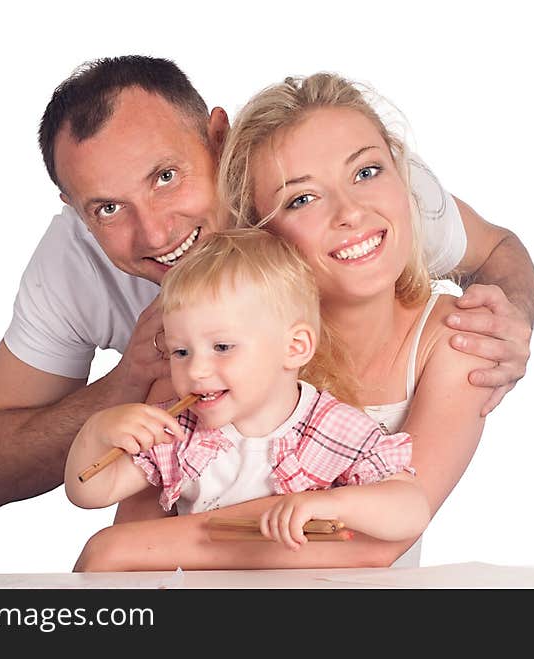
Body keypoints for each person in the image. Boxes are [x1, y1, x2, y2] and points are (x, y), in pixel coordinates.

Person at [0, 56, 534, 523]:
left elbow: (497, 251)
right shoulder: (75, 266)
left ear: (220, 139)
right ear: (74, 210)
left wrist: (510, 319)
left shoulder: (345, 198)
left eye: (166, 176)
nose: (155, 231)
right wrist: (127, 381)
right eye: (106, 207)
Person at [72, 72, 500, 571]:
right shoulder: (210, 356)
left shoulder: (459, 338)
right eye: (301, 198)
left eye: (366, 172)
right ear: (260, 232)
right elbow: (136, 540)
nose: (351, 212)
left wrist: (114, 549)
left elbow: (380, 538)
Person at [64, 229, 426, 550]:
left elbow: (410, 509)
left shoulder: (330, 427)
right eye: (180, 351)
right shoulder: (181, 431)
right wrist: (97, 433)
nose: (197, 369)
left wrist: (330, 505)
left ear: (294, 347)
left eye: (222, 347)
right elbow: (91, 492)